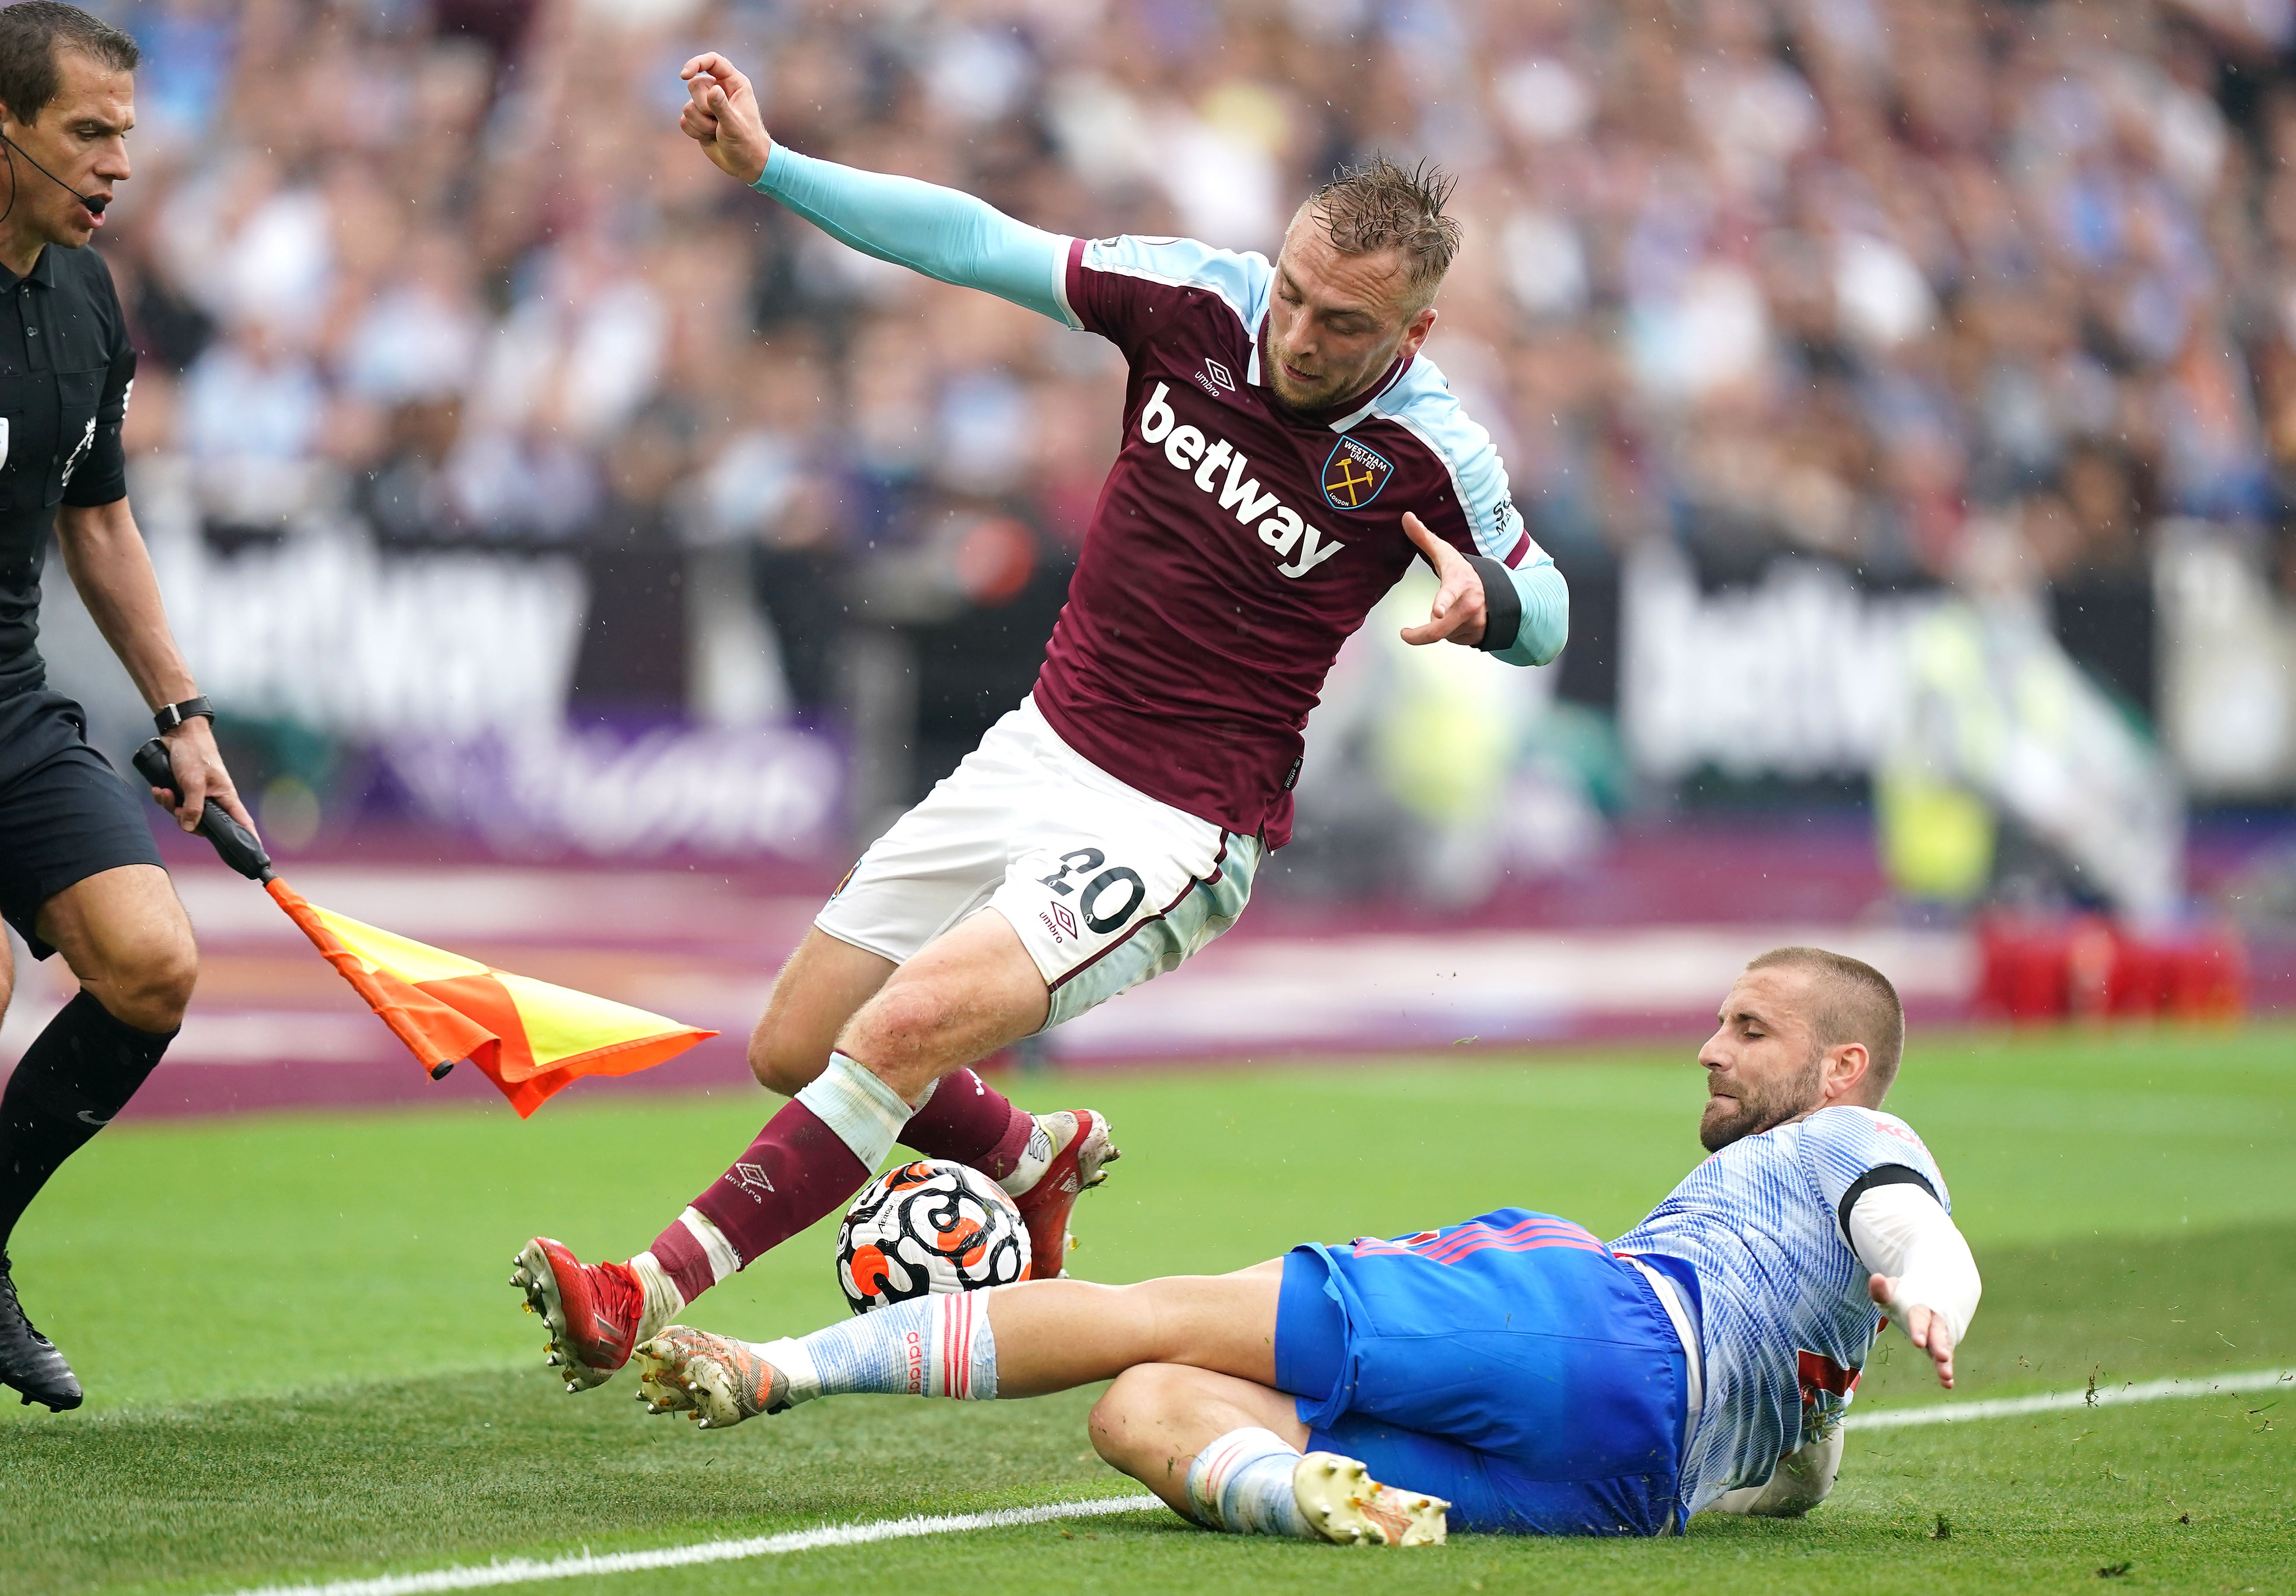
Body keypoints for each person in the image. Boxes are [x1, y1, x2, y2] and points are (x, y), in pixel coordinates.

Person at [511, 52, 1571, 1389]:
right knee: (793, 1044)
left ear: (1410, 336)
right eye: (1292, 294)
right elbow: (973, 241)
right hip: (1039, 745)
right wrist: (773, 167)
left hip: (1182, 821)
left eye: (1343, 326)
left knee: (897, 1035)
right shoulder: (1197, 300)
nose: (1297, 337)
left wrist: (1487, 599)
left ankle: (641, 1289)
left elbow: (1549, 609)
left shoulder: (1432, 451)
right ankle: (1029, 1153)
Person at [624, 949, 1981, 1546]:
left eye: (1750, 1028)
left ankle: (780, 1365)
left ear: (1841, 1065)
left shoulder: (1847, 1140)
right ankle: (1306, 1498)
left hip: (1602, 1323)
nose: (1708, 1043)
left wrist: (1930, 1280)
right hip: (1628, 1486)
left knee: (1161, 1312)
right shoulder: (1814, 1306)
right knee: (1141, 1413)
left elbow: (1912, 1224)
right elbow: (1798, 1478)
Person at [0, 3, 252, 1412]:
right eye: (87, 133)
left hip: (9, 701)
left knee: (151, 962)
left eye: (127, 135)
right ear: (5, 131)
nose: (118, 163)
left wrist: (185, 711)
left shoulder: (87, 299)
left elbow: (99, 519)